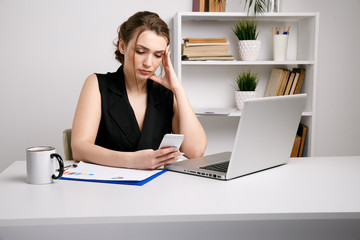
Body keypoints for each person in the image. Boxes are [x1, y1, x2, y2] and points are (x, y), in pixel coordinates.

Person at [71, 11, 207, 170]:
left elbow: (195, 152)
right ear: (123, 46)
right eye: (140, 51)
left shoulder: (166, 94)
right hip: (107, 188)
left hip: (157, 188)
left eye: (157, 55)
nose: (148, 63)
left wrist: (178, 89)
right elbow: (79, 149)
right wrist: (131, 161)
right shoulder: (97, 84)